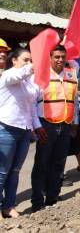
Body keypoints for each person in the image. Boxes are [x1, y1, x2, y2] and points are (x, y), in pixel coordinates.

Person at [31, 45, 79, 212]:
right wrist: (35, 126)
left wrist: (75, 122)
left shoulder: (71, 73)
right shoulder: (41, 76)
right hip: (46, 125)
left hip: (65, 125)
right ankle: (37, 203)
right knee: (41, 164)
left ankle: (52, 199)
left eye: (62, 56)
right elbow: (32, 103)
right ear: (49, 58)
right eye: (56, 57)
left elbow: (74, 100)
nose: (60, 60)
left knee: (59, 164)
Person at [0, 48, 46, 218]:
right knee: (2, 171)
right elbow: (18, 76)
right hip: (6, 128)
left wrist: (37, 126)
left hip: (24, 130)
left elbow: (32, 107)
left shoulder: (29, 82)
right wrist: (35, 64)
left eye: (30, 60)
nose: (28, 64)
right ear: (14, 61)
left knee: (15, 171)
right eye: (25, 60)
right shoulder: (8, 75)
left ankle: (8, 206)